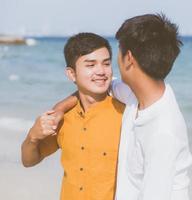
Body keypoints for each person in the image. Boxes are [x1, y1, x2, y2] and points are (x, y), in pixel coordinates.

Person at [48, 13, 192, 200]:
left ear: (129, 58)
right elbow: (95, 87)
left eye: (118, 52)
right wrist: (60, 108)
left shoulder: (163, 132)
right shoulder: (135, 94)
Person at [21, 33, 124, 200]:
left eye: (106, 64)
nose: (101, 71)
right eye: (90, 65)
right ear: (71, 74)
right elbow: (29, 161)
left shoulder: (125, 114)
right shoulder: (63, 117)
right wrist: (33, 136)